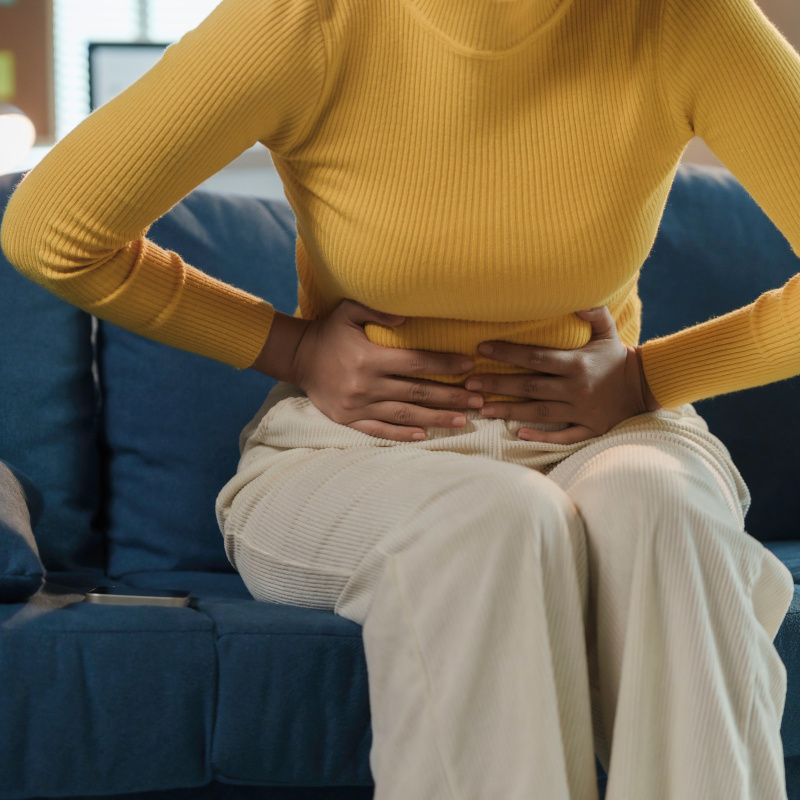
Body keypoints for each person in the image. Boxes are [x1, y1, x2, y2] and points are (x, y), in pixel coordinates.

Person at [2, 0, 798, 796]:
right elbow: (53, 229)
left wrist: (648, 378)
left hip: (613, 433)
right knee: (496, 520)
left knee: (661, 509)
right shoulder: (306, 22)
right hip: (354, 455)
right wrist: (292, 347)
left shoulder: (682, 20)